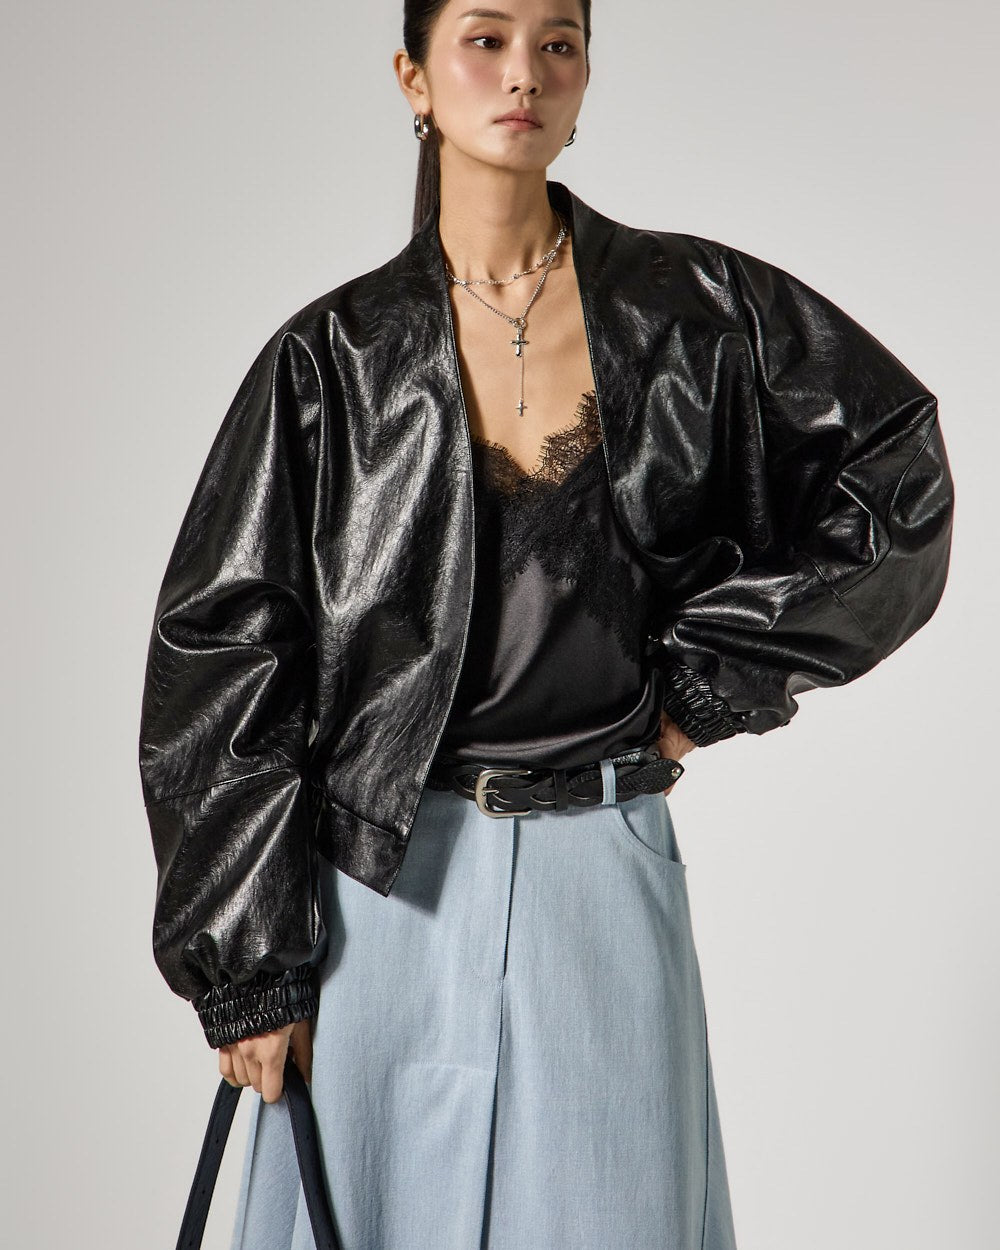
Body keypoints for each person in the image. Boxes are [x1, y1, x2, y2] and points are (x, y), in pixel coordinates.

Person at [137, 2, 955, 1246]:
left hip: (603, 860)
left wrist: (708, 690)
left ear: (583, 78)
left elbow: (895, 481)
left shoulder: (697, 312)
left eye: (557, 43)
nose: (523, 72)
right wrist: (249, 963)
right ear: (413, 77)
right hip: (383, 884)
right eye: (484, 38)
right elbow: (225, 649)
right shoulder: (331, 359)